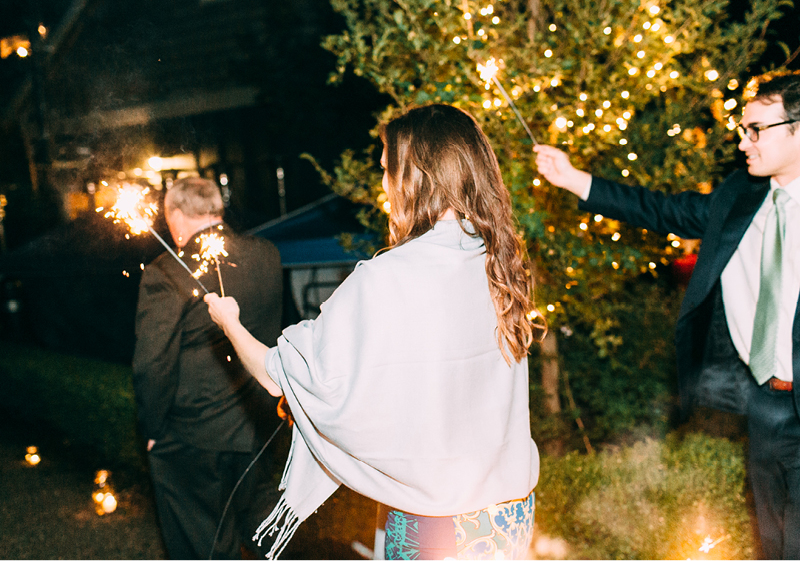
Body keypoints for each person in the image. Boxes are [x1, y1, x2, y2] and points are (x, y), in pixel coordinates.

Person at [205, 104, 541, 560]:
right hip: (508, 516)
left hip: (434, 524)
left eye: (388, 170)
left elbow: (277, 374)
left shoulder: (388, 277)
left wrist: (229, 323)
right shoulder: (497, 261)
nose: (384, 186)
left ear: (415, 177)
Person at [534, 70, 800, 559]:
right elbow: (662, 211)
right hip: (765, 403)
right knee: (775, 539)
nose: (744, 143)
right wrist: (573, 179)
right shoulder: (740, 197)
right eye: (743, 129)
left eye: (756, 130)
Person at [132, 177, 285, 559]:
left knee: (202, 545)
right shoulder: (266, 253)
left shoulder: (165, 272)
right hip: (258, 427)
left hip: (193, 437)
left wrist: (153, 428)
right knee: (265, 533)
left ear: (178, 217)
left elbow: (153, 362)